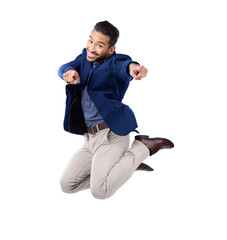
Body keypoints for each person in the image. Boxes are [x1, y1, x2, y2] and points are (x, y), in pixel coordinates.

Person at [58, 21, 174, 199]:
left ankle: (144, 147)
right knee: (67, 185)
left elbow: (125, 66)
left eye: (100, 45)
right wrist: (68, 72)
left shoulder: (115, 62)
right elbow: (65, 67)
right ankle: (126, 167)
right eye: (90, 41)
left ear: (111, 49)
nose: (92, 48)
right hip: (90, 138)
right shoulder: (84, 59)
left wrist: (134, 69)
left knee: (100, 191)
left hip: (111, 135)